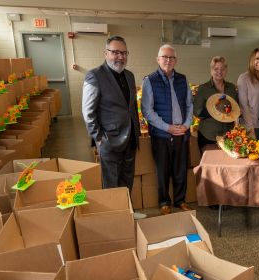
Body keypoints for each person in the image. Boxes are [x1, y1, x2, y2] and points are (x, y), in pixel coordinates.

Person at [82, 35, 146, 219]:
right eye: (115, 52)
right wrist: (99, 138)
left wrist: (137, 132)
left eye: (124, 53)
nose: (120, 57)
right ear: (106, 53)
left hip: (130, 137)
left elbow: (131, 107)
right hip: (109, 139)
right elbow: (88, 112)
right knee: (111, 182)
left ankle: (127, 212)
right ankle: (114, 218)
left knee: (127, 179)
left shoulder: (129, 75)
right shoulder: (94, 75)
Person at [141, 44, 194, 216]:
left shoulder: (183, 79)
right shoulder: (149, 80)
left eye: (171, 57)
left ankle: (180, 200)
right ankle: (164, 202)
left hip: (181, 131)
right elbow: (147, 111)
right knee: (162, 170)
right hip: (162, 134)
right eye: (164, 57)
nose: (168, 60)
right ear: (158, 59)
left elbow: (189, 104)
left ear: (176, 60)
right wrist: (168, 128)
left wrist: (186, 125)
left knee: (180, 169)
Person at [193, 56, 239, 153]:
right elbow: (196, 112)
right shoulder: (203, 89)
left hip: (228, 135)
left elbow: (236, 108)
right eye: (216, 69)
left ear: (226, 70)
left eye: (222, 69)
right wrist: (214, 110)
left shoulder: (231, 88)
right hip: (208, 135)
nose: (219, 71)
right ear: (211, 70)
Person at [237, 48, 259, 138]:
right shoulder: (243, 78)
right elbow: (243, 105)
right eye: (257, 58)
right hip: (250, 127)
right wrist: (250, 128)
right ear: (252, 60)